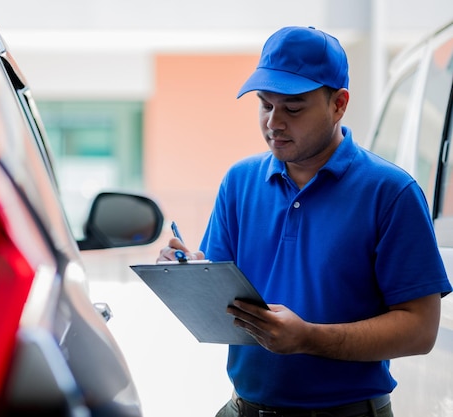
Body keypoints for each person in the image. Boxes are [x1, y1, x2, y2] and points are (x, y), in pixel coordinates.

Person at [157, 26, 452, 417]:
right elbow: (226, 301)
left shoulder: (391, 193)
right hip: (244, 408)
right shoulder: (239, 182)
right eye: (265, 105)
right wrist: (191, 274)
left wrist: (309, 338)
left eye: (293, 108)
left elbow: (420, 330)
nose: (273, 123)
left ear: (339, 104)